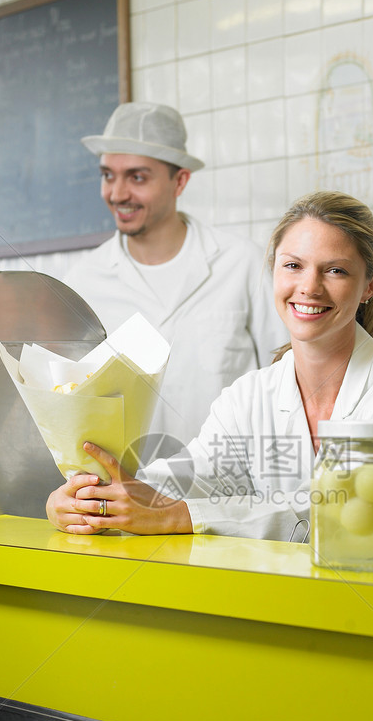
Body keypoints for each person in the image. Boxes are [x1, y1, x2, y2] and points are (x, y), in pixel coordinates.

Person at [47, 190, 373, 542]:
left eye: (335, 270)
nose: (309, 287)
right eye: (293, 265)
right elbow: (189, 478)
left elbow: (348, 515)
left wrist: (184, 516)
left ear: (369, 285)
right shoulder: (248, 398)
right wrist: (88, 500)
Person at [62, 101, 279, 456]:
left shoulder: (242, 264)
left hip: (230, 496)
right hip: (127, 497)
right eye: (107, 175)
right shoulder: (83, 283)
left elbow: (287, 377)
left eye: (137, 177)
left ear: (179, 181)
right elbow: (70, 404)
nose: (117, 194)